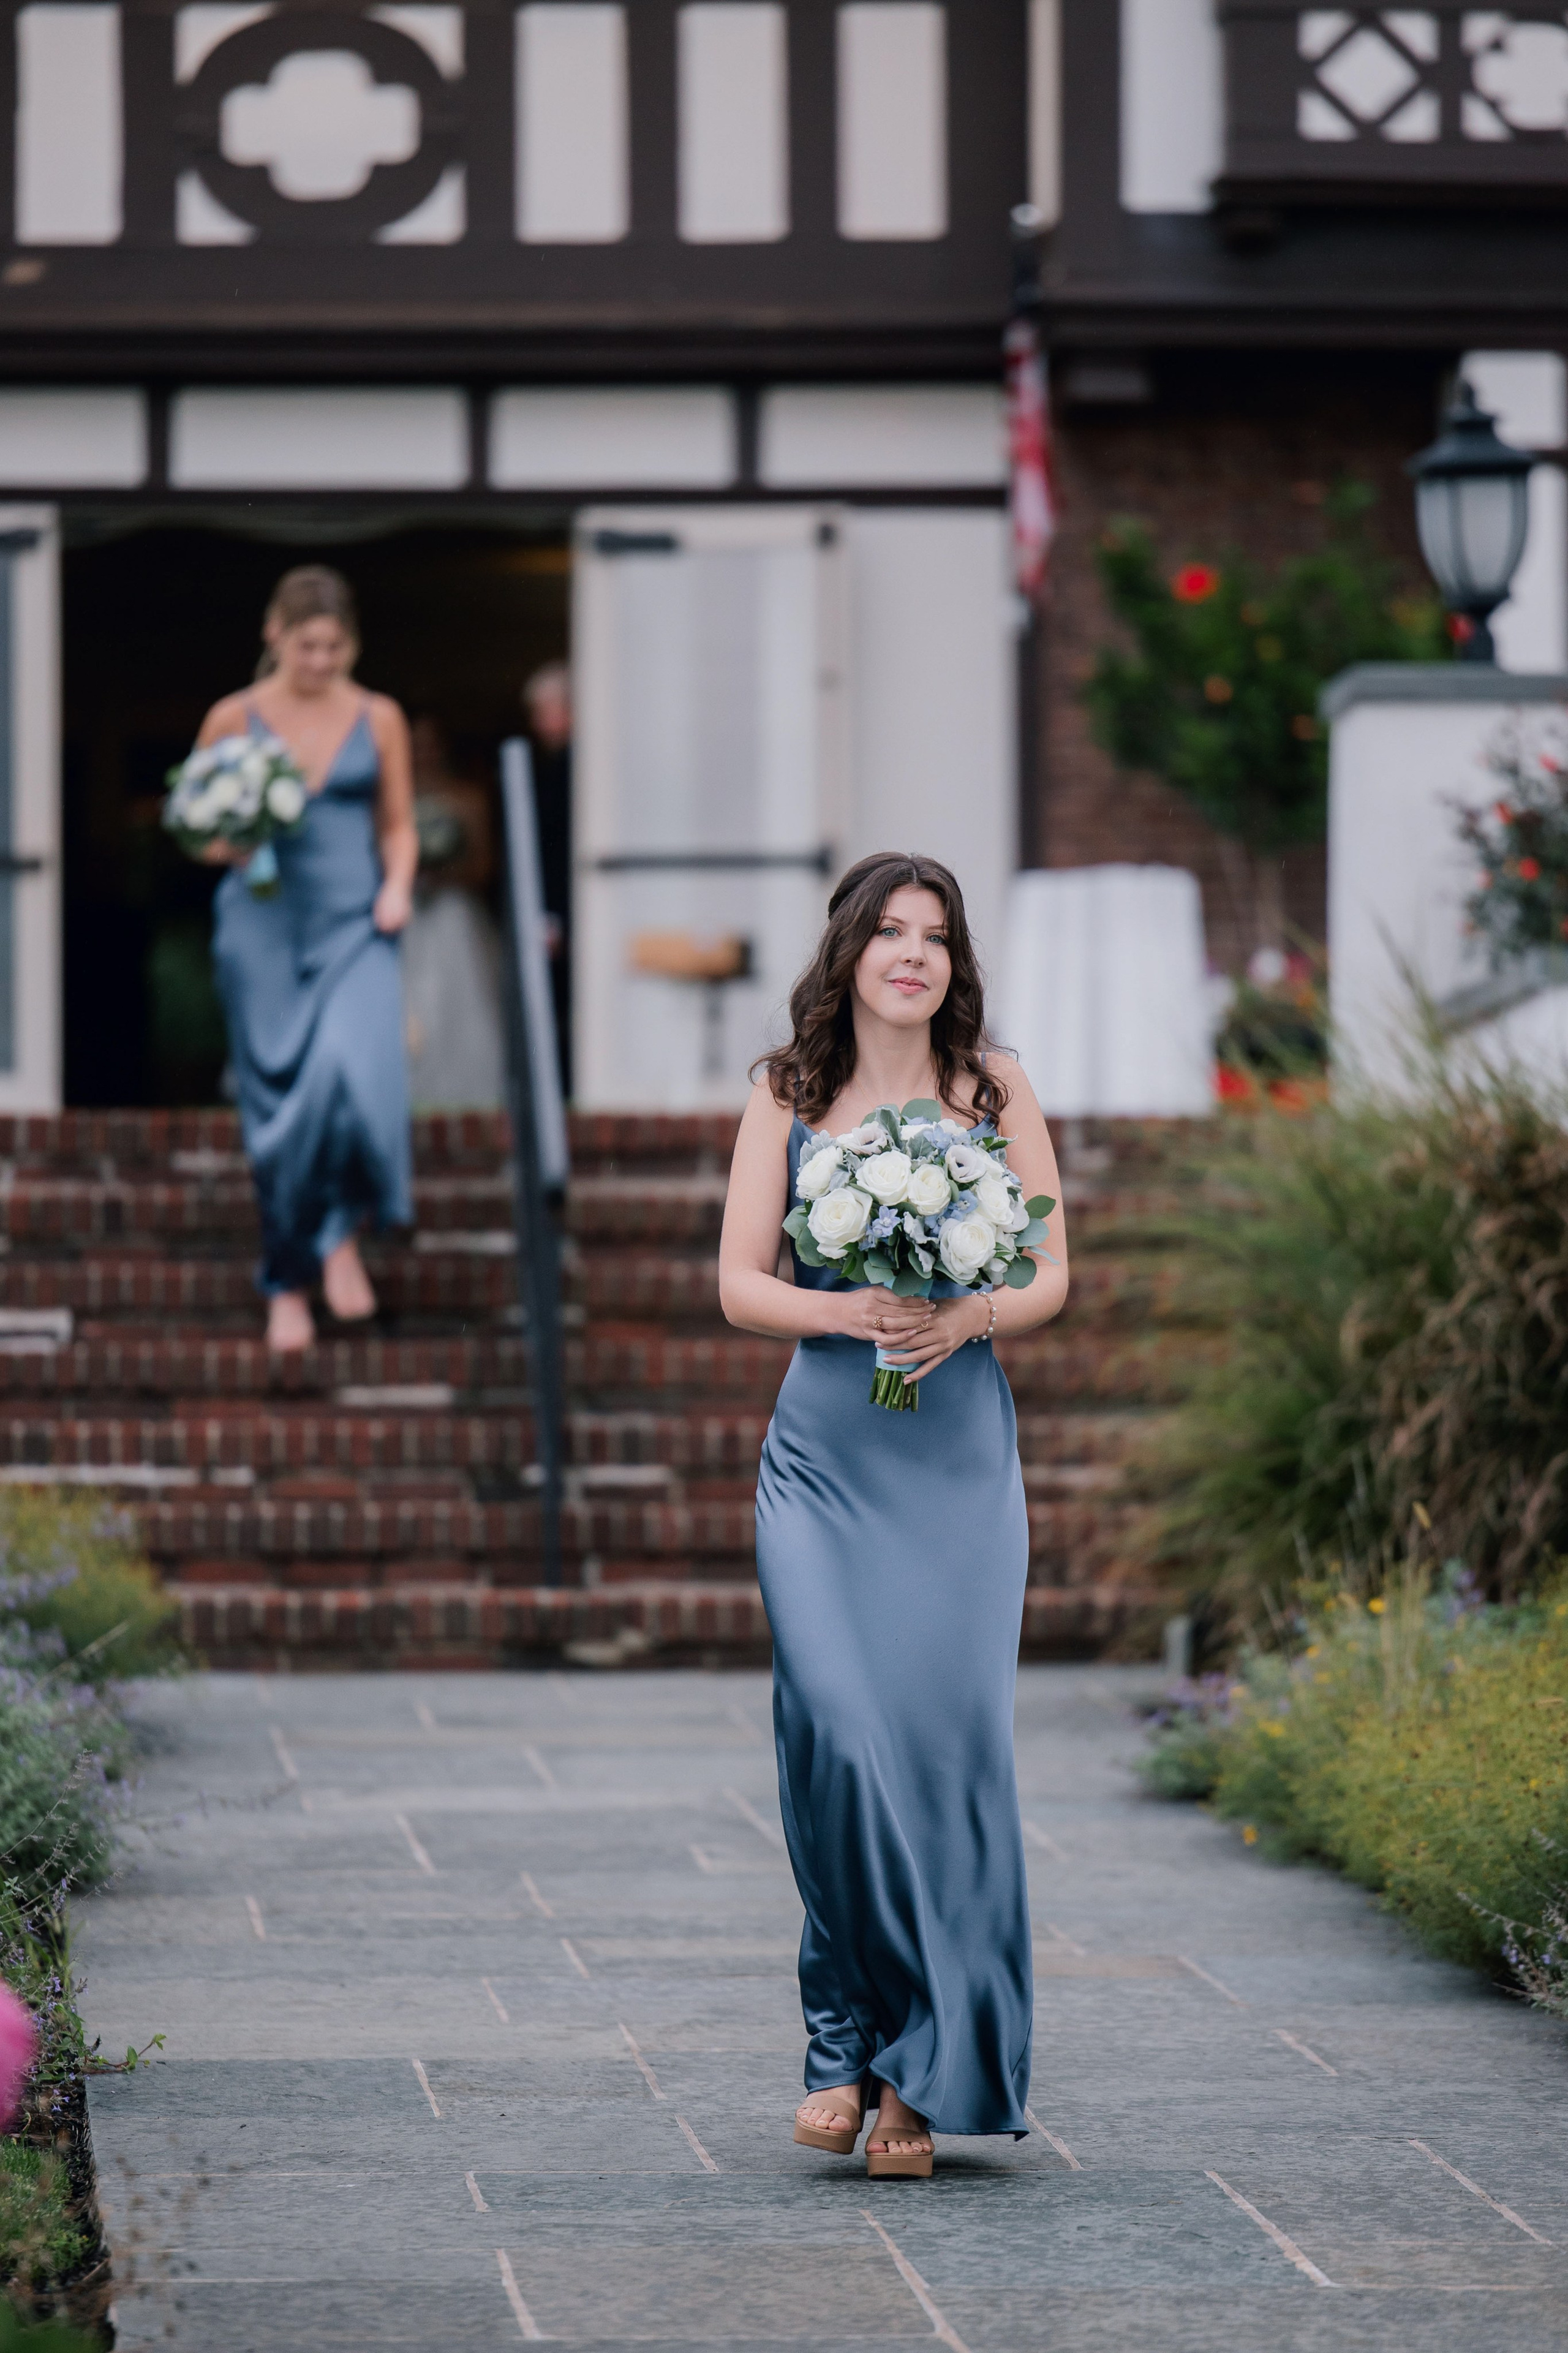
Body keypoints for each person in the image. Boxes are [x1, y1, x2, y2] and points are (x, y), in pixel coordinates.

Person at [718, 852, 1069, 2178]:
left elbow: (1048, 1270)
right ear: (849, 953)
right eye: (888, 931)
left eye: (934, 934)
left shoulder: (992, 1089)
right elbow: (739, 1281)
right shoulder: (787, 1092)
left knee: (940, 1756)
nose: (911, 954)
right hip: (822, 1462)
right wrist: (845, 1308)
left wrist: (966, 1310)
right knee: (835, 1734)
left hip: (955, 1469)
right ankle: (843, 2039)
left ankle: (912, 2080)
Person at [197, 566, 416, 1354]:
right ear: (274, 635)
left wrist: (397, 885)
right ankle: (287, 1281)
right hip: (261, 925)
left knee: (356, 1078)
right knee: (280, 1115)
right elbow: (196, 830)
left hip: (356, 924)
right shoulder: (232, 717)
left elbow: (398, 824)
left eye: (334, 646)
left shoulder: (379, 715)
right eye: (306, 645)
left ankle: (338, 1233)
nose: (321, 660)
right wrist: (233, 832)